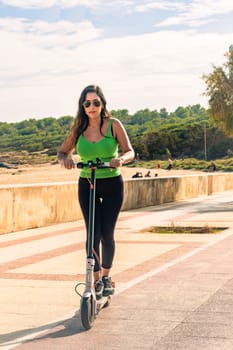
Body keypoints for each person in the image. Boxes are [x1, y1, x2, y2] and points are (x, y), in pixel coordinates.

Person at [57, 85, 135, 300]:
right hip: (87, 183)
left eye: (96, 102)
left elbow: (130, 151)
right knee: (93, 233)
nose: (92, 107)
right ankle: (96, 279)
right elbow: (62, 152)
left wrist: (121, 159)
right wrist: (67, 159)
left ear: (102, 104)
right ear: (83, 106)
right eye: (87, 103)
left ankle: (107, 278)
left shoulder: (113, 125)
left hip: (111, 183)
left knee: (107, 234)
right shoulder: (78, 128)